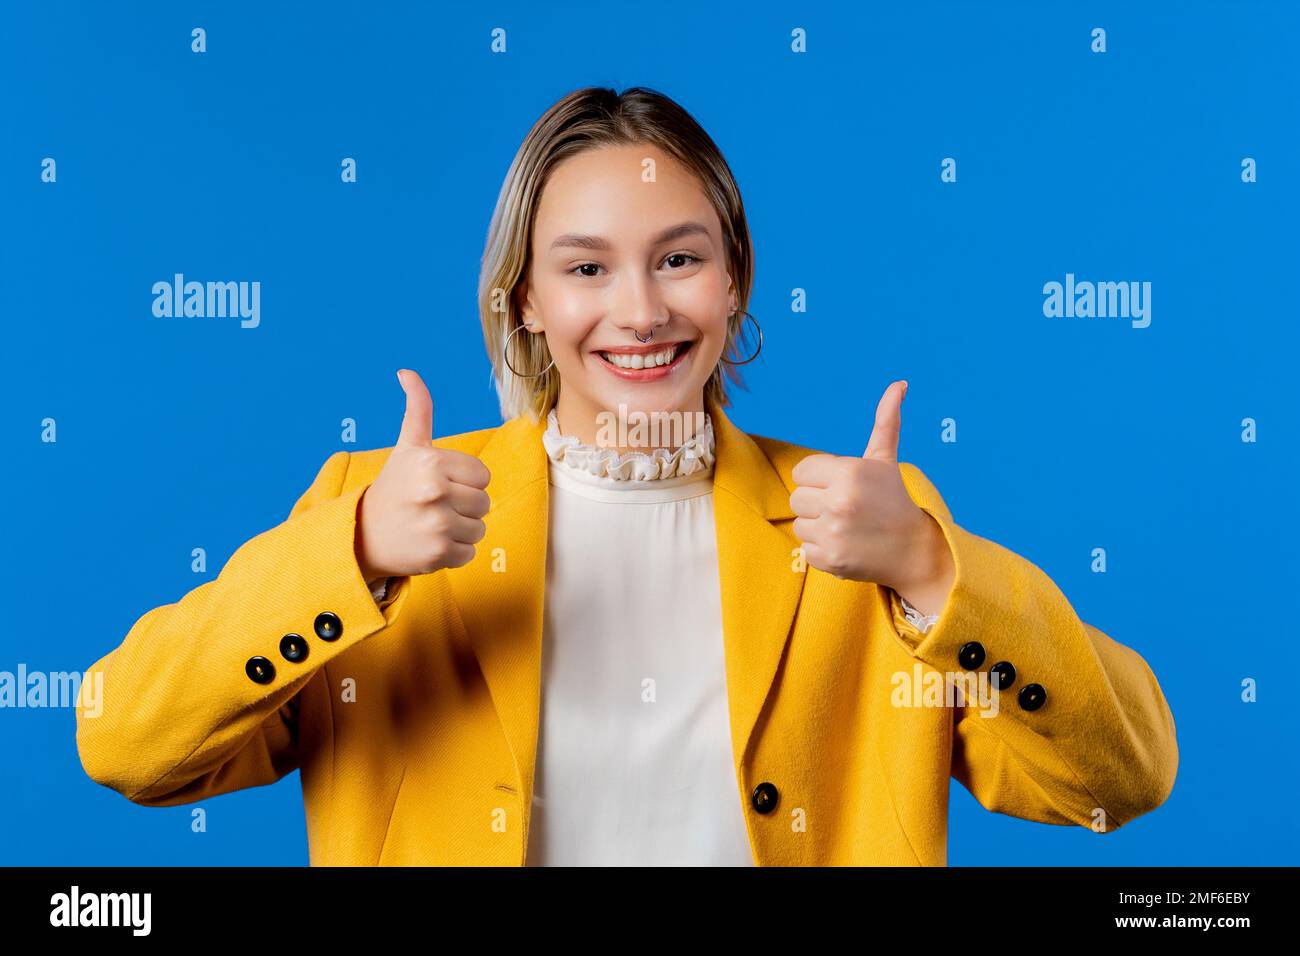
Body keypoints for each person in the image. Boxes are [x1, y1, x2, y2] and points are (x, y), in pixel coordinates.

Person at [76, 86, 1178, 866]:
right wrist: (352, 550)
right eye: (586, 266)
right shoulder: (374, 512)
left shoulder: (880, 525)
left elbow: (1119, 781)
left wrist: (935, 572)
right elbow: (127, 742)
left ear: (736, 281)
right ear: (526, 299)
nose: (641, 310)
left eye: (680, 258)